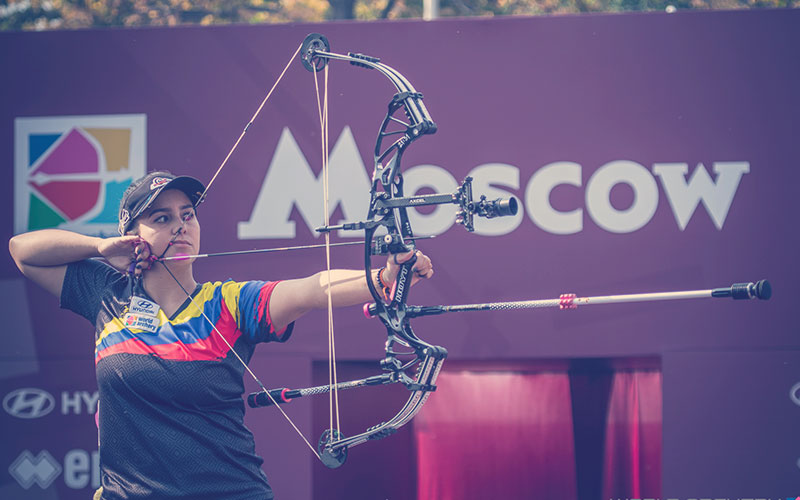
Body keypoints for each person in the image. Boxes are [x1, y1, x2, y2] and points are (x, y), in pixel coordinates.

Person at [8, 171, 433, 500]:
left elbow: (309, 289)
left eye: (187, 215)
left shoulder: (227, 303)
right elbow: (22, 251)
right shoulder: (106, 294)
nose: (181, 225)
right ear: (133, 235)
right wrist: (99, 247)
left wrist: (382, 277)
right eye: (162, 218)